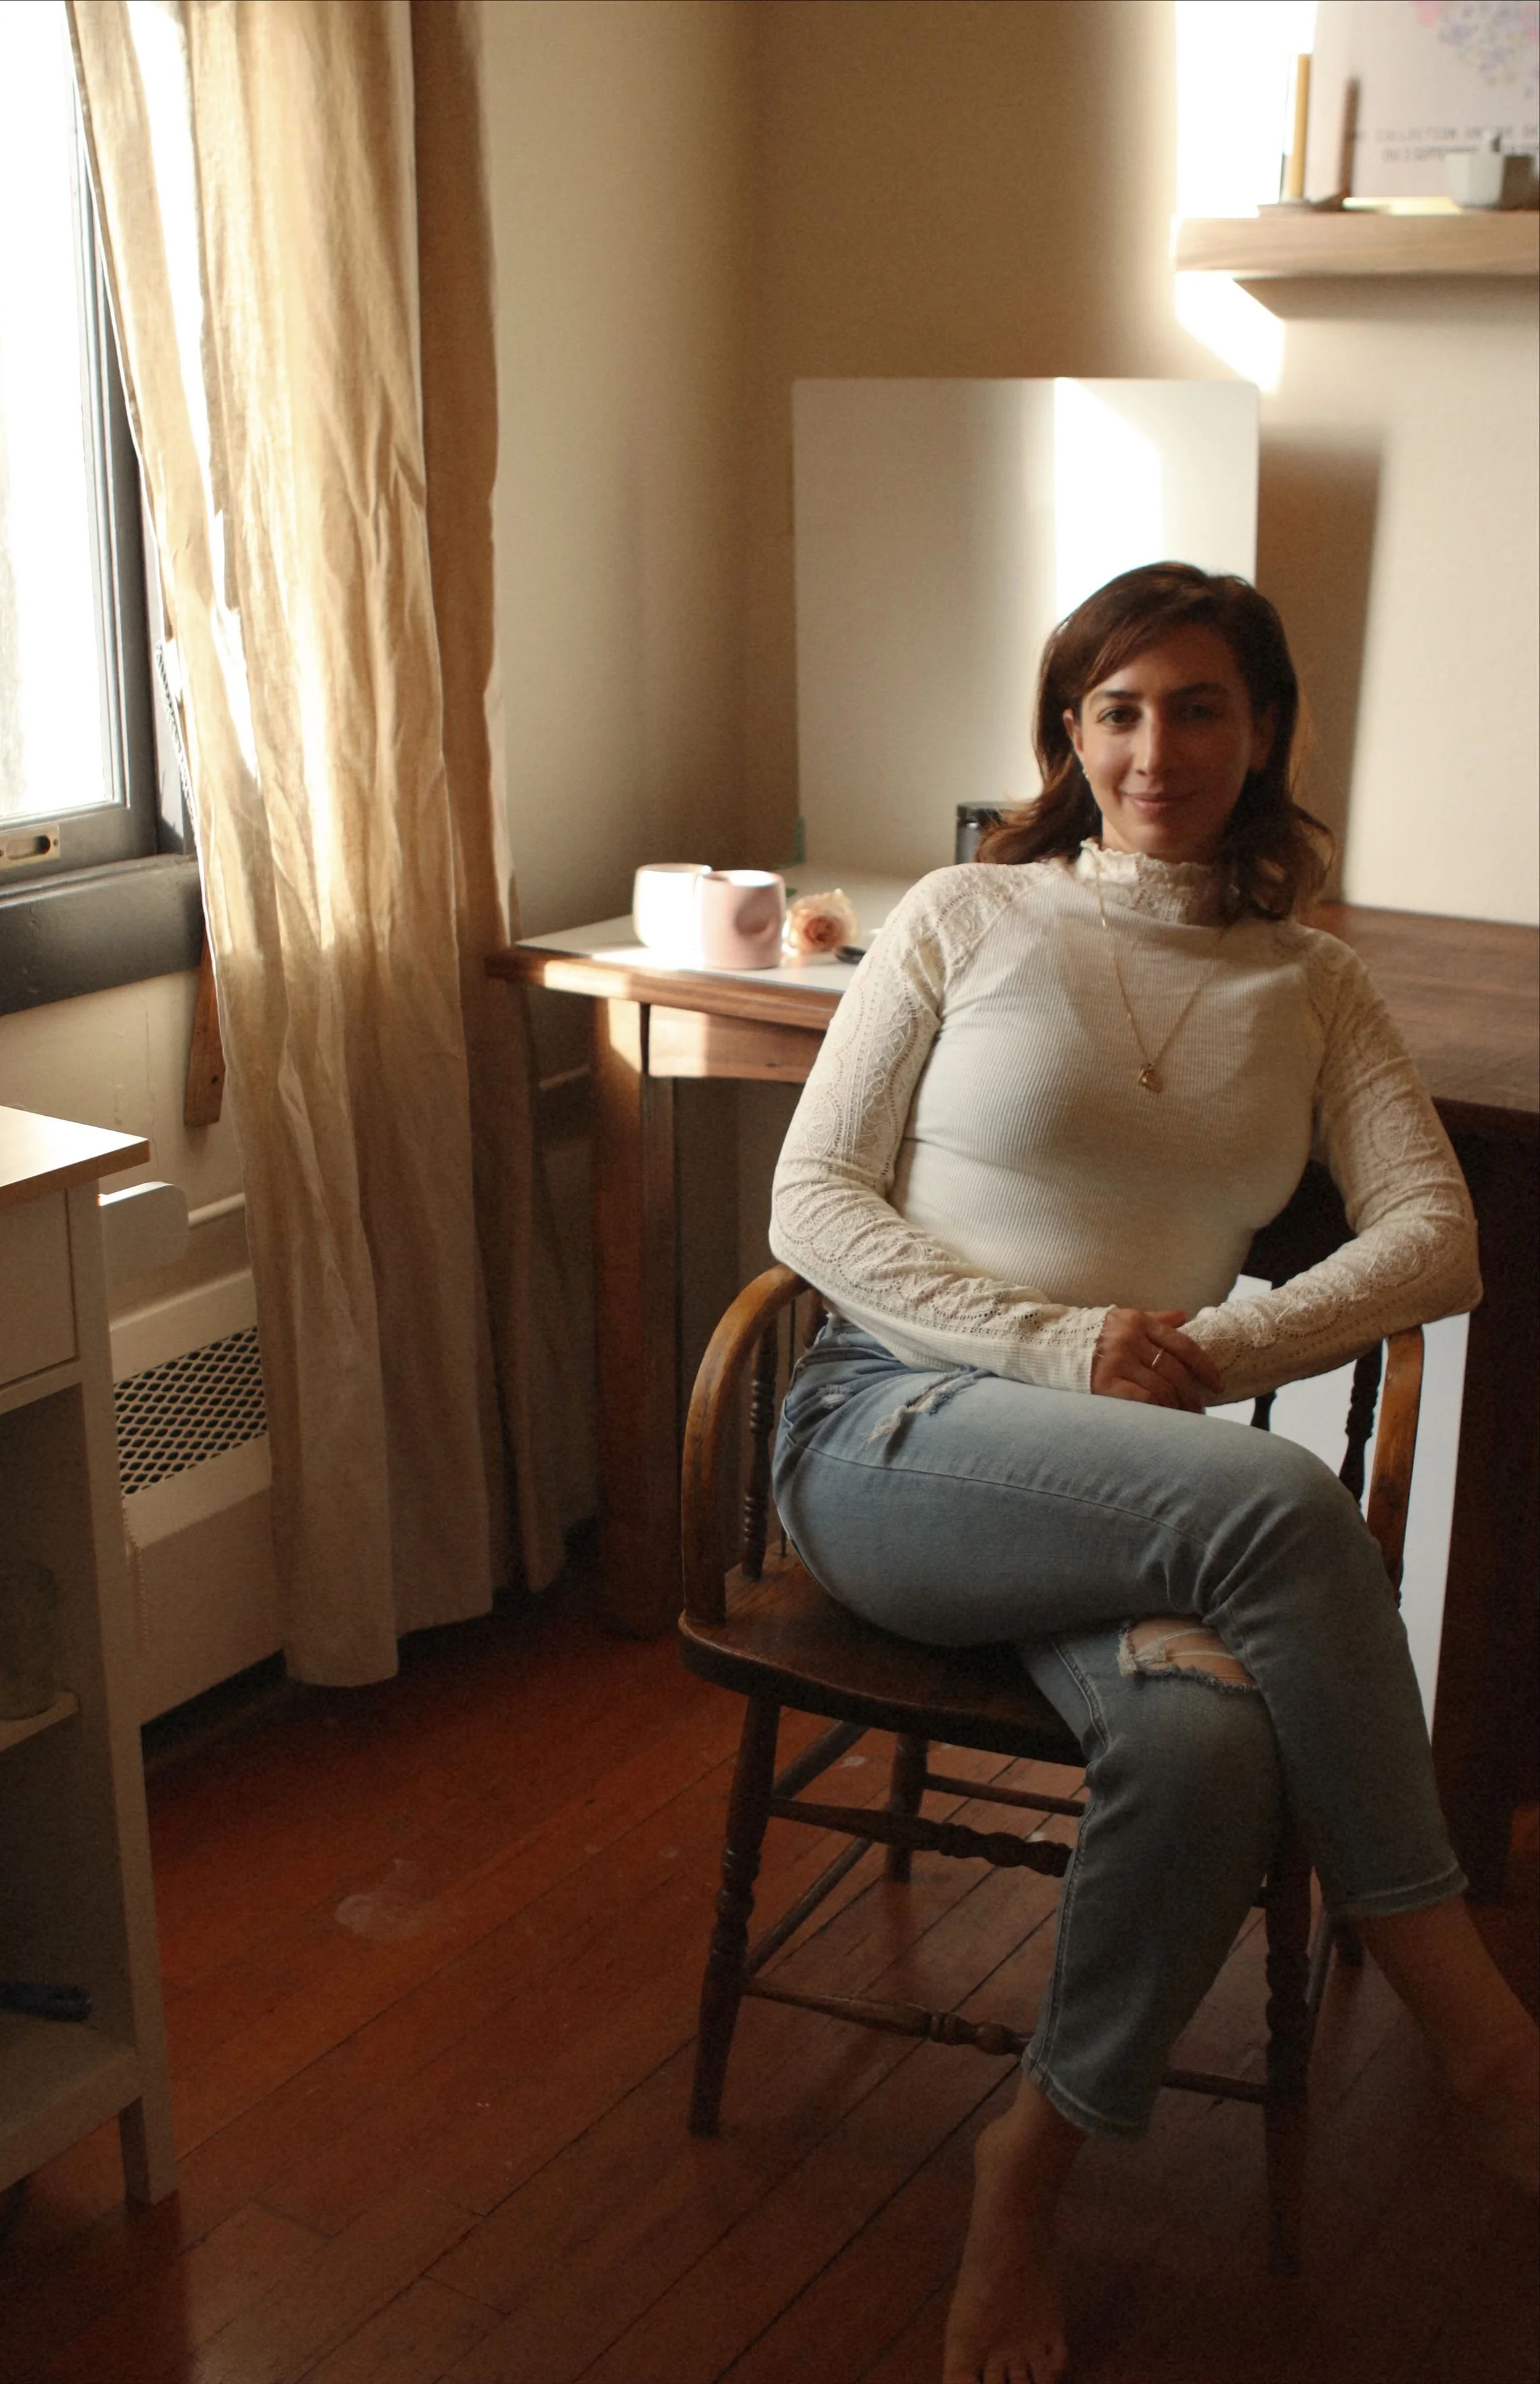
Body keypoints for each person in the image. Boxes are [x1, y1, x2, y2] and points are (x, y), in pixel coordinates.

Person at [766, 562, 1539, 2384]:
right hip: (889, 1432)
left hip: (1126, 1494)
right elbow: (811, 1201)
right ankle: (1491, 2046)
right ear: (1068, 733)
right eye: (1115, 708)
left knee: (1206, 1749)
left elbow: (1440, 1241)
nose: (1154, 746)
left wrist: (1219, 1353)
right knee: (1278, 1507)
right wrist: (1059, 1346)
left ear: (1263, 733)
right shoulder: (967, 914)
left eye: (1198, 706)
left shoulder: (1313, 982)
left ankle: (1021, 2178)